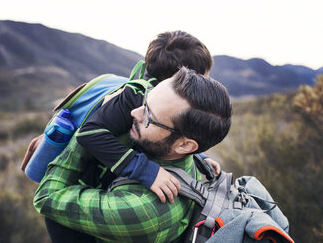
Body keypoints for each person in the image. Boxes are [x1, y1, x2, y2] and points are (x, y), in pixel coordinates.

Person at [34, 67, 232, 242]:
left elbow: (46, 196)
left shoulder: (143, 210)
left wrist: (94, 121)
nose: (134, 113)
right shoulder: (178, 154)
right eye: (145, 100)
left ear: (185, 145)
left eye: (149, 116)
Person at [76, 30, 218, 204]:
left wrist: (199, 157)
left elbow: (171, 137)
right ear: (183, 79)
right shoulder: (134, 96)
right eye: (204, 77)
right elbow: (89, 133)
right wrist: (146, 171)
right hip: (86, 189)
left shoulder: (159, 99)